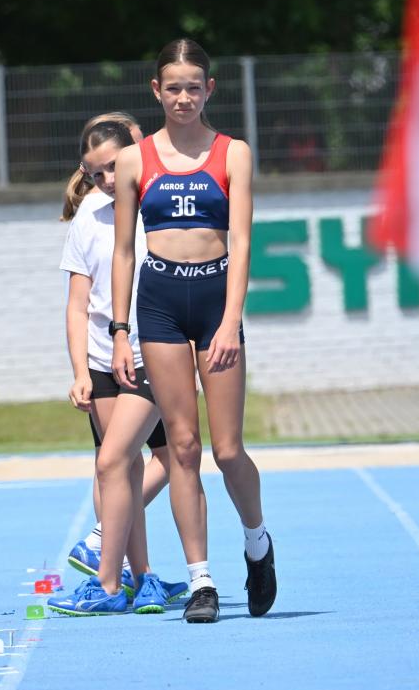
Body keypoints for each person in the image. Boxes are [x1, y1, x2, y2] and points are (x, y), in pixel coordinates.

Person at [111, 39, 276, 624]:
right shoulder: (134, 159)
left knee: (227, 450)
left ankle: (257, 542)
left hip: (214, 304)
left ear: (210, 89)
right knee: (182, 446)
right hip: (158, 304)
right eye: (173, 87)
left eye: (193, 87)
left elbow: (243, 241)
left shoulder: (233, 153)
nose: (183, 97)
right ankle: (201, 579)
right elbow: (124, 250)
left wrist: (231, 320)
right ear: (156, 90)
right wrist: (119, 330)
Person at [49, 113, 188, 615]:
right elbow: (77, 305)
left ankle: (105, 575)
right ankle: (142, 577)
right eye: (96, 173)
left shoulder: (162, 205)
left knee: (117, 463)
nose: (107, 179)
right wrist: (80, 371)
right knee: (122, 468)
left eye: (112, 167)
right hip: (102, 360)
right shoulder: (89, 216)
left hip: (153, 351)